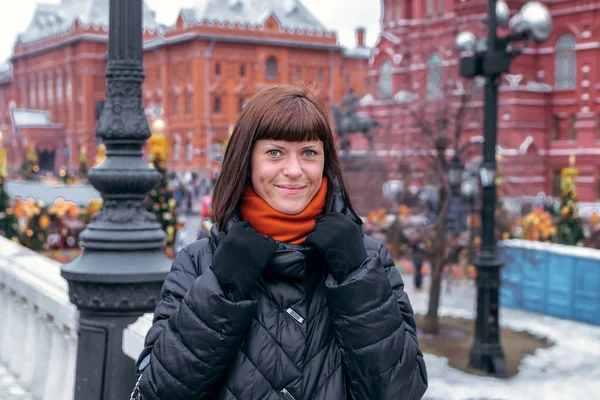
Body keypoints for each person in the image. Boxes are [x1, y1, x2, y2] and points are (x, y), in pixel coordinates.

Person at [134, 85, 428, 399]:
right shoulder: (199, 262)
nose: (294, 170)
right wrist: (221, 290)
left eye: (309, 153)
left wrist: (357, 281)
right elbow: (158, 392)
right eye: (275, 152)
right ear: (247, 161)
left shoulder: (369, 260)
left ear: (324, 162)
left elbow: (402, 391)